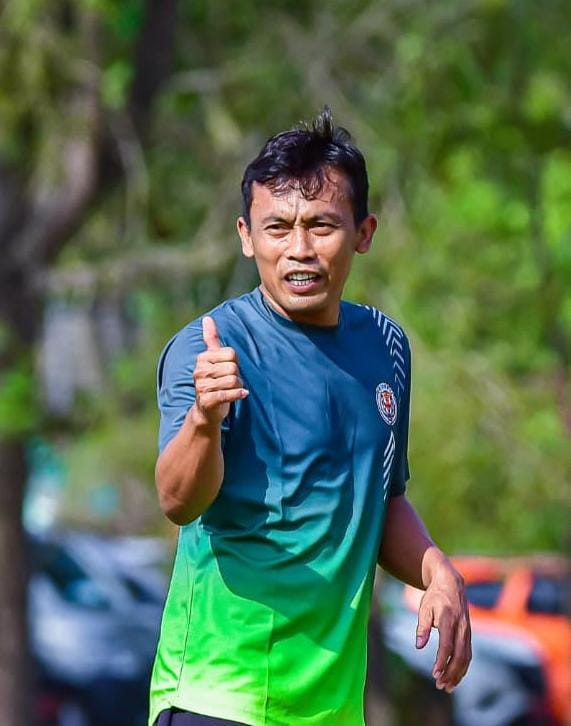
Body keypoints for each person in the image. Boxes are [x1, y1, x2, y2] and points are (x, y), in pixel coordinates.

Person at [149, 109, 471, 726]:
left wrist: (436, 569)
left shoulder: (385, 347)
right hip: (218, 697)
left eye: (321, 225)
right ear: (247, 236)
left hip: (331, 708)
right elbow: (178, 501)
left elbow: (380, 498)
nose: (299, 249)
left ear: (363, 232)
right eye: (277, 227)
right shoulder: (211, 347)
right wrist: (204, 421)